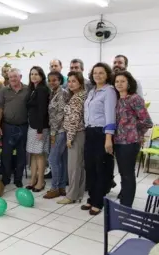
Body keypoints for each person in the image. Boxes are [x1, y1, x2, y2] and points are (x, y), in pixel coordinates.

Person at [114, 71, 152, 207]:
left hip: (130, 142)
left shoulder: (134, 98)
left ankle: (126, 204)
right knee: (123, 172)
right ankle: (123, 196)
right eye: (117, 81)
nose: (119, 84)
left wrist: (135, 133)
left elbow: (147, 121)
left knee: (128, 173)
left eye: (122, 81)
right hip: (118, 141)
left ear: (129, 83)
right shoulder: (118, 100)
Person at [82, 62, 117, 215]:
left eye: (101, 72)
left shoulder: (109, 91)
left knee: (101, 167)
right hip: (89, 132)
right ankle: (92, 197)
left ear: (107, 75)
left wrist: (108, 138)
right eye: (95, 72)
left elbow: (110, 115)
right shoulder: (92, 91)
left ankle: (98, 201)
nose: (97, 75)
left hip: (102, 133)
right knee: (89, 167)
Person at [0, 68, 29, 187]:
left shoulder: (28, 89)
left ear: (20, 76)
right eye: (10, 77)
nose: (13, 79)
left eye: (15, 76)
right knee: (6, 153)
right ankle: (6, 177)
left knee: (21, 153)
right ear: (8, 78)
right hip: (7, 126)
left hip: (23, 127)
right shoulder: (4, 90)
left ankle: (18, 178)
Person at [57, 71, 87, 204]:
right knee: (79, 166)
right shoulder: (78, 95)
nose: (70, 84)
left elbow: (74, 119)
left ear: (80, 82)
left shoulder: (77, 98)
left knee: (74, 167)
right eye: (69, 81)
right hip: (78, 133)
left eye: (74, 81)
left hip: (76, 134)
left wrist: (69, 137)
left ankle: (71, 196)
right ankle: (78, 194)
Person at [44, 71, 69, 199]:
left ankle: (54, 188)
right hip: (58, 130)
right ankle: (61, 187)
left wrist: (53, 133)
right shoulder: (53, 93)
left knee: (53, 159)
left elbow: (60, 114)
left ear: (60, 81)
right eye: (50, 80)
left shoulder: (62, 93)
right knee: (61, 160)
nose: (52, 82)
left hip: (60, 131)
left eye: (55, 80)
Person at [26, 66, 50, 192]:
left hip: (40, 127)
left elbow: (42, 111)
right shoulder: (33, 89)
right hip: (32, 126)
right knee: (33, 154)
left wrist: (40, 130)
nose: (33, 76)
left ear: (41, 76)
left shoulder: (42, 89)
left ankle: (41, 181)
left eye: (36, 74)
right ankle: (33, 179)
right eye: (31, 74)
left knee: (40, 155)